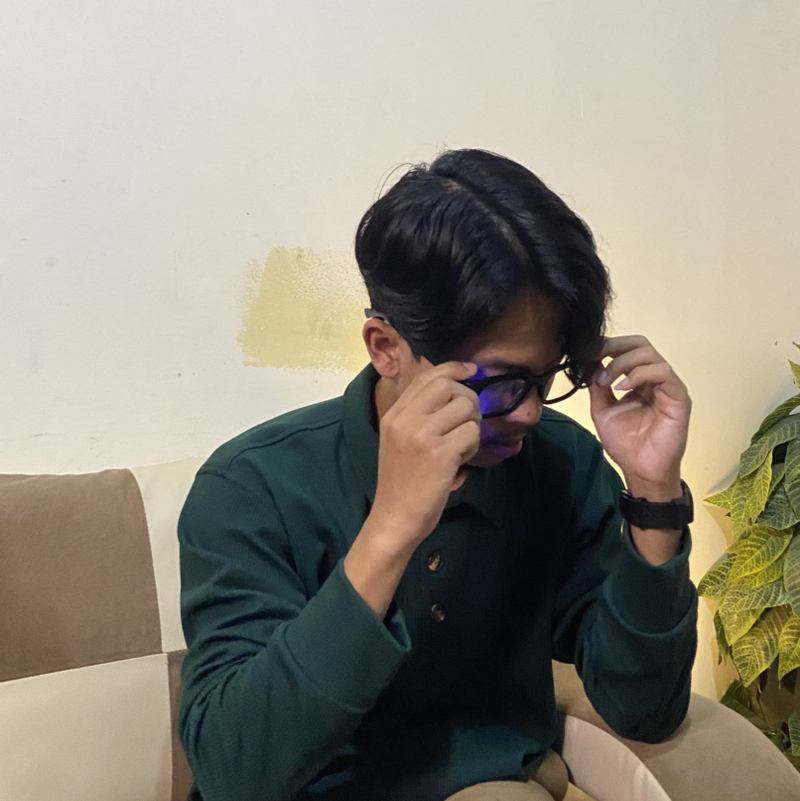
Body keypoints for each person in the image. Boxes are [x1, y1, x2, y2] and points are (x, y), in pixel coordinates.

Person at [177, 149, 698, 801]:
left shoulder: (559, 462)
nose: (530, 412)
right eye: (502, 382)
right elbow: (235, 772)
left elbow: (644, 711)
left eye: (546, 376)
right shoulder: (251, 486)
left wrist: (653, 494)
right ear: (386, 348)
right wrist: (392, 528)